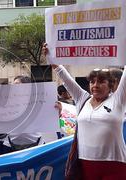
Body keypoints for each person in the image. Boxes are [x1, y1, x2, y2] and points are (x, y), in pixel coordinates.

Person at [44, 45, 126, 179]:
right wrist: (50, 56)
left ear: (111, 85)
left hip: (115, 165)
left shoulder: (118, 100)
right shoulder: (82, 98)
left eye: (101, 82)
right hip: (85, 165)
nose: (95, 85)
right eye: (92, 82)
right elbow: (62, 73)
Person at [4, 76, 43, 151]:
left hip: (36, 145)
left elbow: (48, 119)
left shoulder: (38, 102)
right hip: (11, 145)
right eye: (12, 84)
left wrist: (57, 112)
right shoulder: (5, 102)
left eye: (17, 84)